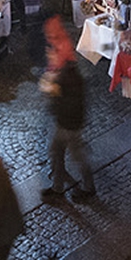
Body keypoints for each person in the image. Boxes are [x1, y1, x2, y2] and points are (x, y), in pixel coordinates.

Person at [41, 53, 96, 199]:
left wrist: (52, 94)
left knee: (78, 157)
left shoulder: (68, 79)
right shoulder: (67, 75)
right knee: (56, 152)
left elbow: (67, 105)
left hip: (70, 126)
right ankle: (57, 186)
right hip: (64, 123)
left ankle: (89, 188)